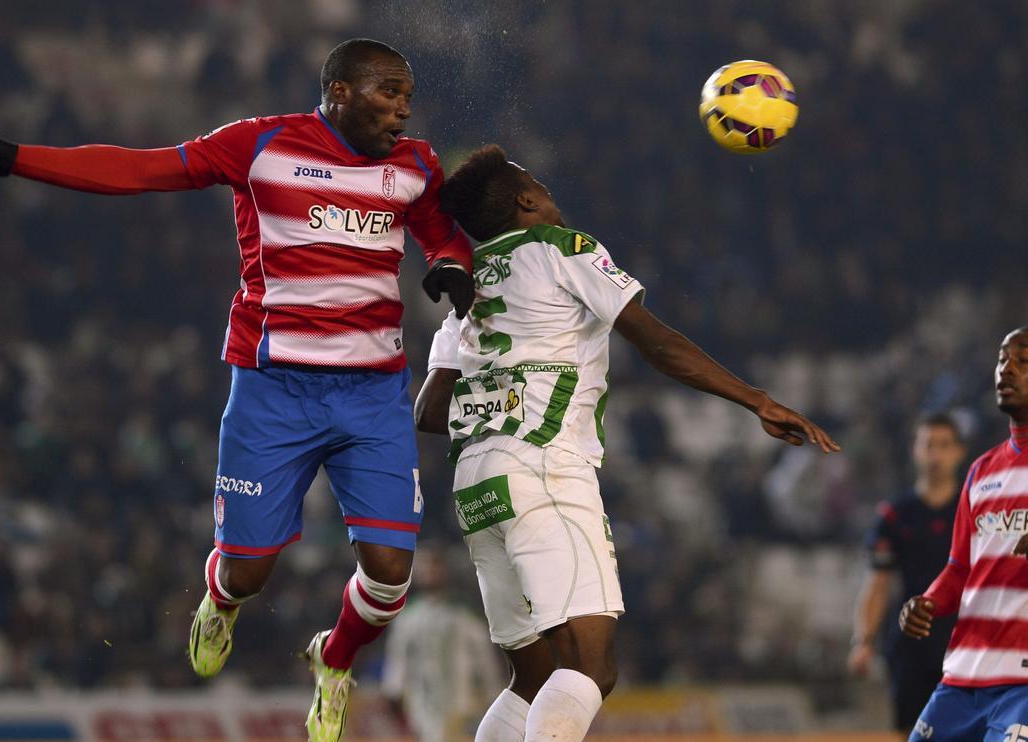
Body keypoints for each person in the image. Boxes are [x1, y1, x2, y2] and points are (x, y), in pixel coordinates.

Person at [0, 38, 474, 742]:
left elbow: (443, 233)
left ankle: (334, 662)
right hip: (272, 387)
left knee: (391, 575)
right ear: (340, 92)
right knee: (249, 573)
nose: (403, 110)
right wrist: (14, 158)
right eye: (388, 93)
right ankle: (219, 602)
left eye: (407, 96)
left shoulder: (416, 165)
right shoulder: (259, 146)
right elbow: (142, 170)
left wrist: (447, 263)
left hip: (372, 392)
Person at [414, 145, 840, 741]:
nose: (549, 192)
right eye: (539, 182)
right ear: (526, 200)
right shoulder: (565, 249)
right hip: (543, 466)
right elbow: (656, 341)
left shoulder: (466, 289)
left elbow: (430, 411)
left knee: (533, 681)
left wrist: (502, 389)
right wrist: (756, 400)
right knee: (592, 665)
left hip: (477, 484)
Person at [899, 327, 1028, 741]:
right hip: (961, 680)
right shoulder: (982, 471)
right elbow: (959, 569)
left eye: (1023, 361)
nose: (1006, 369)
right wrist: (929, 602)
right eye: (1002, 359)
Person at [847, 413, 966, 737]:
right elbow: (877, 581)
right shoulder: (895, 514)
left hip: (964, 642)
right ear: (915, 450)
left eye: (944, 445)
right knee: (910, 731)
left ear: (959, 452)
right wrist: (864, 640)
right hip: (910, 642)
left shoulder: (975, 509)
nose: (935, 454)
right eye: (928, 445)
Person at [381, 544, 503, 742]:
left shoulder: (463, 613)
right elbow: (399, 656)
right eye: (423, 566)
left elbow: (484, 657)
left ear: (445, 570)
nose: (429, 571)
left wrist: (493, 693)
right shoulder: (408, 616)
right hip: (422, 703)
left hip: (462, 702)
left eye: (434, 565)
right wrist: (394, 688)